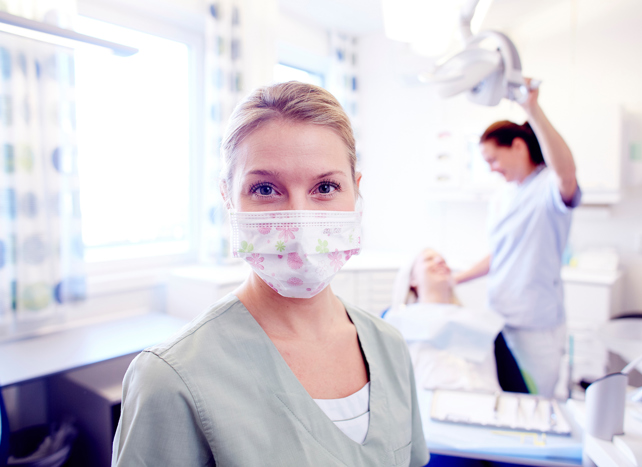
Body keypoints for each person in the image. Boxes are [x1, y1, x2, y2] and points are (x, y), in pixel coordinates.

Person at [112, 82, 429, 467]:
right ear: (228, 197)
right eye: (265, 188)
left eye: (325, 187)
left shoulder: (389, 346)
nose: (300, 218)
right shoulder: (170, 380)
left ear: (356, 192)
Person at [453, 79, 581, 398]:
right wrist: (457, 278)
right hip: (500, 314)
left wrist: (532, 109)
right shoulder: (503, 196)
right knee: (508, 397)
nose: (492, 169)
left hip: (536, 322)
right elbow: (501, 253)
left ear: (519, 147)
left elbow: (567, 173)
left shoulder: (549, 187)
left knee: (537, 401)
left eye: (494, 160)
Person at [385, 248, 505, 394]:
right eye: (428, 259)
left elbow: (510, 377)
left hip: (486, 403)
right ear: (412, 279)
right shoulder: (396, 320)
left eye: (443, 260)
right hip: (428, 406)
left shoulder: (481, 322)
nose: (439, 261)